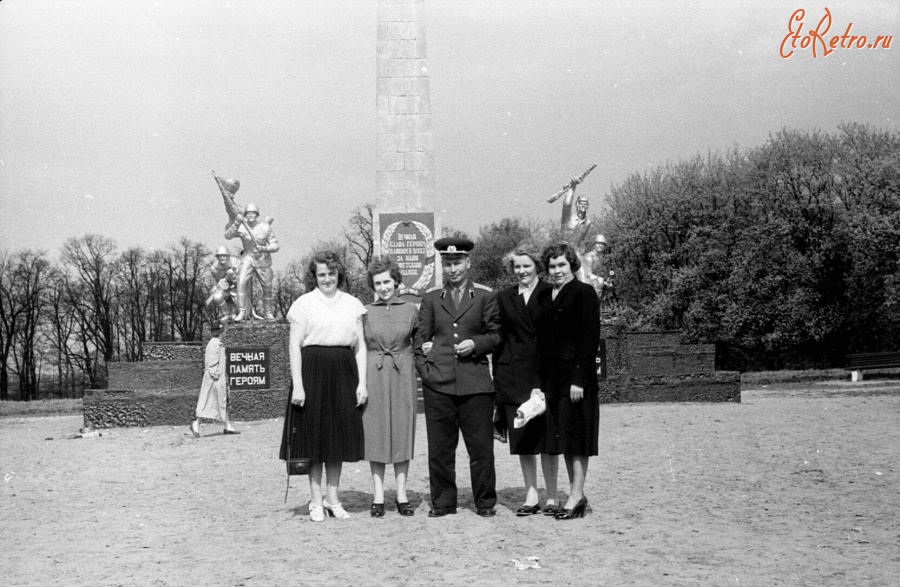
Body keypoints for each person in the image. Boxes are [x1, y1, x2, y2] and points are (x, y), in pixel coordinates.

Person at [413, 237, 501, 517]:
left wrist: (476, 344)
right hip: (439, 384)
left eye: (457, 263)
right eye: (447, 263)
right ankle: (443, 502)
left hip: (475, 383)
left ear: (468, 263)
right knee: (440, 450)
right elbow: (420, 341)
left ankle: (485, 502)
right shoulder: (431, 298)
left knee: (481, 450)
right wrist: (426, 372)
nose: (453, 269)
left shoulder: (486, 296)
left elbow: (495, 334)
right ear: (442, 265)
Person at [279, 251, 367, 522]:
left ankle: (333, 499)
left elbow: (360, 346)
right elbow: (294, 346)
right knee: (314, 439)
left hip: (343, 372)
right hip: (313, 370)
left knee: (337, 439)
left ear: (339, 273)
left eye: (331, 273)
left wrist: (362, 382)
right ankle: (316, 502)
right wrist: (299, 386)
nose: (327, 279)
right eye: (321, 274)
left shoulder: (353, 304)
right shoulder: (303, 304)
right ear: (314, 277)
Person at [534, 242, 601, 520]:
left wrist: (579, 380)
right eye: (552, 266)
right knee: (563, 437)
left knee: (577, 439)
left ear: (571, 265)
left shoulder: (584, 293)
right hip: (553, 380)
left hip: (576, 380)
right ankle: (574, 495)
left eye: (562, 264)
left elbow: (589, 340)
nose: (557, 270)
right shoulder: (546, 296)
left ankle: (576, 495)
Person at [492, 248, 560, 516]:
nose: (521, 271)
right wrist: (500, 377)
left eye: (526, 266)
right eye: (517, 267)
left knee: (547, 440)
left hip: (544, 375)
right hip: (515, 376)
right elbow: (501, 340)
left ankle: (552, 496)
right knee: (523, 439)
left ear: (537, 267)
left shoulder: (550, 292)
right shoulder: (505, 297)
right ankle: (531, 495)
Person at [362, 256, 419, 517]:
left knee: (401, 429)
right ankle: (377, 495)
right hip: (374, 370)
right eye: (378, 283)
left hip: (402, 370)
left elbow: (420, 343)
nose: (383, 287)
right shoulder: (364, 312)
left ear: (396, 281)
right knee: (375, 431)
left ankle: (402, 493)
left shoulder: (410, 310)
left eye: (387, 281)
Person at [224, 203, 279, 321]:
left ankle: (268, 312)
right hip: (248, 257)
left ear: (257, 215)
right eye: (248, 213)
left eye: (253, 213)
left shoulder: (265, 227)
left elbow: (275, 245)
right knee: (241, 281)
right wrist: (236, 222)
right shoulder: (242, 226)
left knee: (267, 287)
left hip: (262, 259)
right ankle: (241, 311)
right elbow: (228, 235)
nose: (250, 216)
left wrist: (264, 248)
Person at [190, 324, 240, 437]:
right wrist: (217, 377)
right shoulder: (214, 344)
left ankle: (227, 426)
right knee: (209, 402)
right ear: (221, 331)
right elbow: (212, 364)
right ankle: (196, 423)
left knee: (223, 401)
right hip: (215, 379)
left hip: (217, 378)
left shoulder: (216, 343)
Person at [205, 246, 239, 321]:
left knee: (240, 308)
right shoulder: (214, 268)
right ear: (217, 257)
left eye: (224, 255)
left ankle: (235, 313)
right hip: (225, 289)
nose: (222, 258)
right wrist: (215, 287)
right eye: (220, 256)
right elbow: (217, 281)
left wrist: (233, 279)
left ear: (228, 256)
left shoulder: (236, 263)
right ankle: (226, 315)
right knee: (217, 296)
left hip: (236, 289)